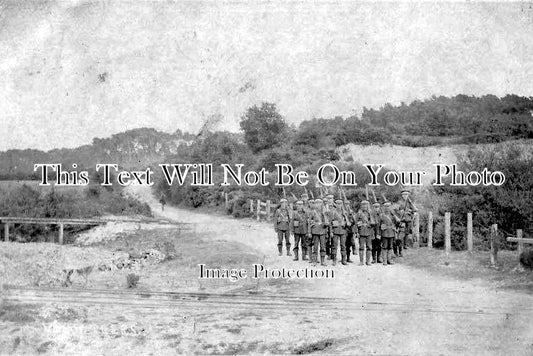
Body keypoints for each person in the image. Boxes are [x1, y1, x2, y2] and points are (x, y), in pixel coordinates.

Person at [378, 201, 400, 265]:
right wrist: (379, 234)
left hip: (391, 233)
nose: (387, 208)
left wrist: (394, 215)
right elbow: (379, 225)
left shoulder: (393, 215)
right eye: (386, 206)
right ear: (384, 207)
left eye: (389, 206)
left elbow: (398, 222)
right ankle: (384, 260)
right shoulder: (381, 215)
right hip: (384, 233)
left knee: (390, 247)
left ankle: (389, 260)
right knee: (384, 247)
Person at [309, 198, 329, 266]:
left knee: (323, 247)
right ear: (315, 204)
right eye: (317, 203)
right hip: (315, 231)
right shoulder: (312, 212)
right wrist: (309, 232)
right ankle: (314, 261)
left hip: (322, 231)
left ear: (322, 204)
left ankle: (322, 261)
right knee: (315, 247)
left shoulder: (324, 212)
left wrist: (324, 223)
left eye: (320, 203)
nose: (318, 204)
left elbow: (327, 223)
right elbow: (309, 222)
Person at [330, 199, 350, 265]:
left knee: (343, 246)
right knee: (334, 246)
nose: (339, 205)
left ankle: (343, 260)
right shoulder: (333, 212)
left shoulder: (345, 212)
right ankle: (334, 260)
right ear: (335, 204)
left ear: (342, 204)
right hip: (335, 230)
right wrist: (331, 232)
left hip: (343, 230)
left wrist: (346, 221)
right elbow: (330, 223)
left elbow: (349, 222)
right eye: (338, 204)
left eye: (340, 204)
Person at [355, 200, 375, 266]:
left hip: (369, 232)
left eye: (366, 205)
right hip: (361, 232)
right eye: (363, 205)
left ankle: (368, 261)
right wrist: (356, 232)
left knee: (369, 247)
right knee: (361, 247)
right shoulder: (359, 213)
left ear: (368, 206)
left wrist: (369, 225)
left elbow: (374, 223)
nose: (364, 206)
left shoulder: (371, 213)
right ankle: (361, 261)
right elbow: (355, 223)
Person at [344, 198, 356, 263]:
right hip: (344, 230)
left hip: (350, 231)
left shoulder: (351, 212)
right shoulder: (343, 212)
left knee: (349, 244)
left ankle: (348, 258)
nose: (347, 205)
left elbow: (354, 221)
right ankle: (344, 258)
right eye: (346, 204)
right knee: (343, 244)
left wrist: (352, 217)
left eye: (348, 204)